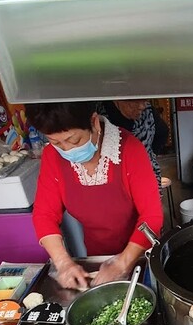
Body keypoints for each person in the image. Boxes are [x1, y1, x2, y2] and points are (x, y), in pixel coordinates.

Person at [27, 102, 163, 290]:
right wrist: (63, 262)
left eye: (74, 140)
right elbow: (44, 214)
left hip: (141, 256)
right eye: (56, 142)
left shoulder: (130, 149)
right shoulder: (52, 156)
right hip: (96, 256)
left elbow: (152, 217)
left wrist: (123, 263)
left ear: (94, 122)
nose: (66, 150)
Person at [97, 100, 169, 187]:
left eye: (144, 101)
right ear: (118, 100)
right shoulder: (101, 115)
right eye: (136, 102)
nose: (142, 106)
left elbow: (163, 132)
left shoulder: (148, 112)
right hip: (113, 180)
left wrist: (150, 155)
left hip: (145, 176)